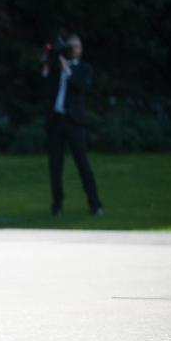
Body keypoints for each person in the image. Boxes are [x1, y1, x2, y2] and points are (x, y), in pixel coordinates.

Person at [41, 33, 103, 216]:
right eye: (71, 46)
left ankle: (95, 204)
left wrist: (66, 68)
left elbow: (81, 86)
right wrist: (46, 64)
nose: (74, 49)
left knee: (83, 163)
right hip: (56, 121)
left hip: (74, 122)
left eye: (77, 46)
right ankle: (57, 205)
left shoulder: (84, 68)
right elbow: (43, 88)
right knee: (55, 166)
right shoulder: (56, 68)